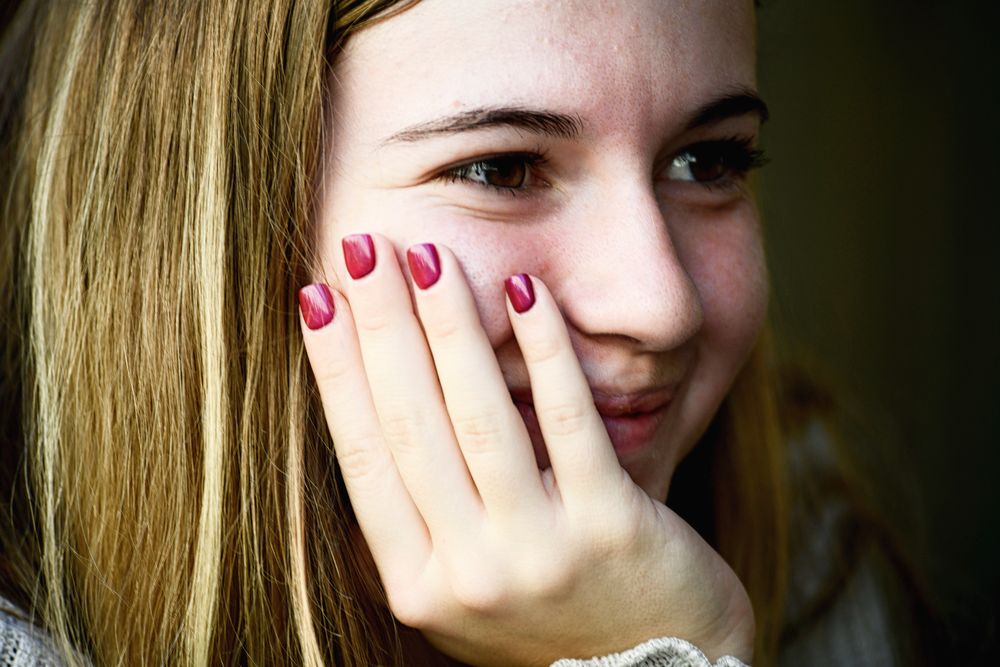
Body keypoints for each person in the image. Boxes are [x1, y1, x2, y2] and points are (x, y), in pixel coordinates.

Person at [0, 1, 936, 665]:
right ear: (206, 217)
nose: (662, 307)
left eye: (708, 159)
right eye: (502, 169)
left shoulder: (811, 540)